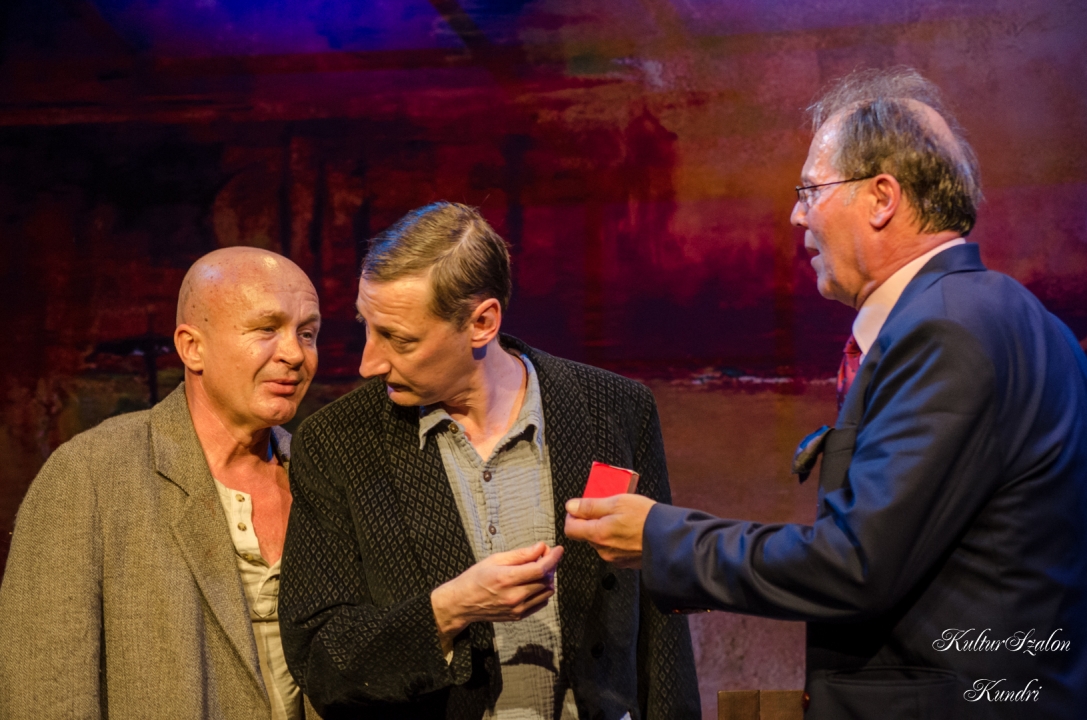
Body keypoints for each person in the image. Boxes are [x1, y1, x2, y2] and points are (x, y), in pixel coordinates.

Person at [564, 68, 1087, 718]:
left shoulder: (945, 332)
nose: (796, 215)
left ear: (881, 197)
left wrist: (661, 538)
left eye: (810, 190)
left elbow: (855, 565)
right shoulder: (1013, 318)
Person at [279, 202, 700, 719]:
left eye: (399, 339)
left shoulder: (614, 410)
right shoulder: (339, 442)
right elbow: (318, 656)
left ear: (482, 322)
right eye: (367, 326)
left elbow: (661, 626)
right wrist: (448, 610)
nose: (369, 362)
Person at [0, 247, 321, 719]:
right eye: (266, 329)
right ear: (193, 347)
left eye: (307, 333)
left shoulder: (321, 477)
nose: (294, 354)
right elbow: (46, 695)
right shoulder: (90, 477)